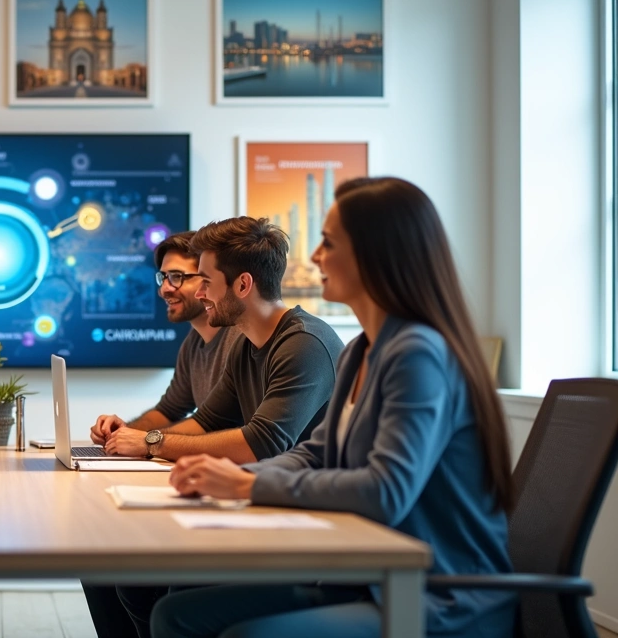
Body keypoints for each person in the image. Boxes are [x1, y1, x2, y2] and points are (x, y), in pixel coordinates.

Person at [150, 177, 516, 637]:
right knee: (174, 613)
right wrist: (241, 478)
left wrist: (247, 486)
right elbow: (316, 453)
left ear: (375, 253)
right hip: (363, 577)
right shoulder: (364, 349)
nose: (315, 256)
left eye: (328, 243)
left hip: (435, 595)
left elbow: (386, 491)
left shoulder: (418, 354)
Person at [101, 217, 345, 637]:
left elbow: (263, 442)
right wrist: (143, 441)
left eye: (206, 281)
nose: (199, 292)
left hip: (302, 524)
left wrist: (152, 442)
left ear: (243, 285)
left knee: (168, 590)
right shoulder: (248, 344)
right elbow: (207, 421)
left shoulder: (305, 343)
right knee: (114, 571)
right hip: (264, 504)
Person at [83, 230, 242, 638]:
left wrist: (147, 443)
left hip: (228, 489)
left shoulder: (239, 342)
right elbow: (170, 410)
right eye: (162, 278)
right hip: (202, 480)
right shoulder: (194, 343)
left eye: (177, 277)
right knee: (96, 564)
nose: (165, 289)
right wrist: (125, 432)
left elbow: (214, 424)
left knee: (132, 579)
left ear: (208, 281)